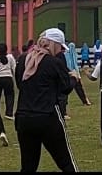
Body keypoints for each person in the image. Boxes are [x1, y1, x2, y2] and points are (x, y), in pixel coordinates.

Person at [15, 28, 79, 172]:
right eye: (61, 48)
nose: (61, 52)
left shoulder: (24, 59)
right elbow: (65, 88)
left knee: (28, 166)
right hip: (47, 117)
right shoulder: (54, 62)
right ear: (54, 44)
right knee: (66, 162)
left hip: (24, 118)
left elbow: (20, 84)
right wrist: (73, 78)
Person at [0, 43, 17, 119]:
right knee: (9, 96)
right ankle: (9, 113)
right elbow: (14, 68)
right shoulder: (10, 57)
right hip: (8, 78)